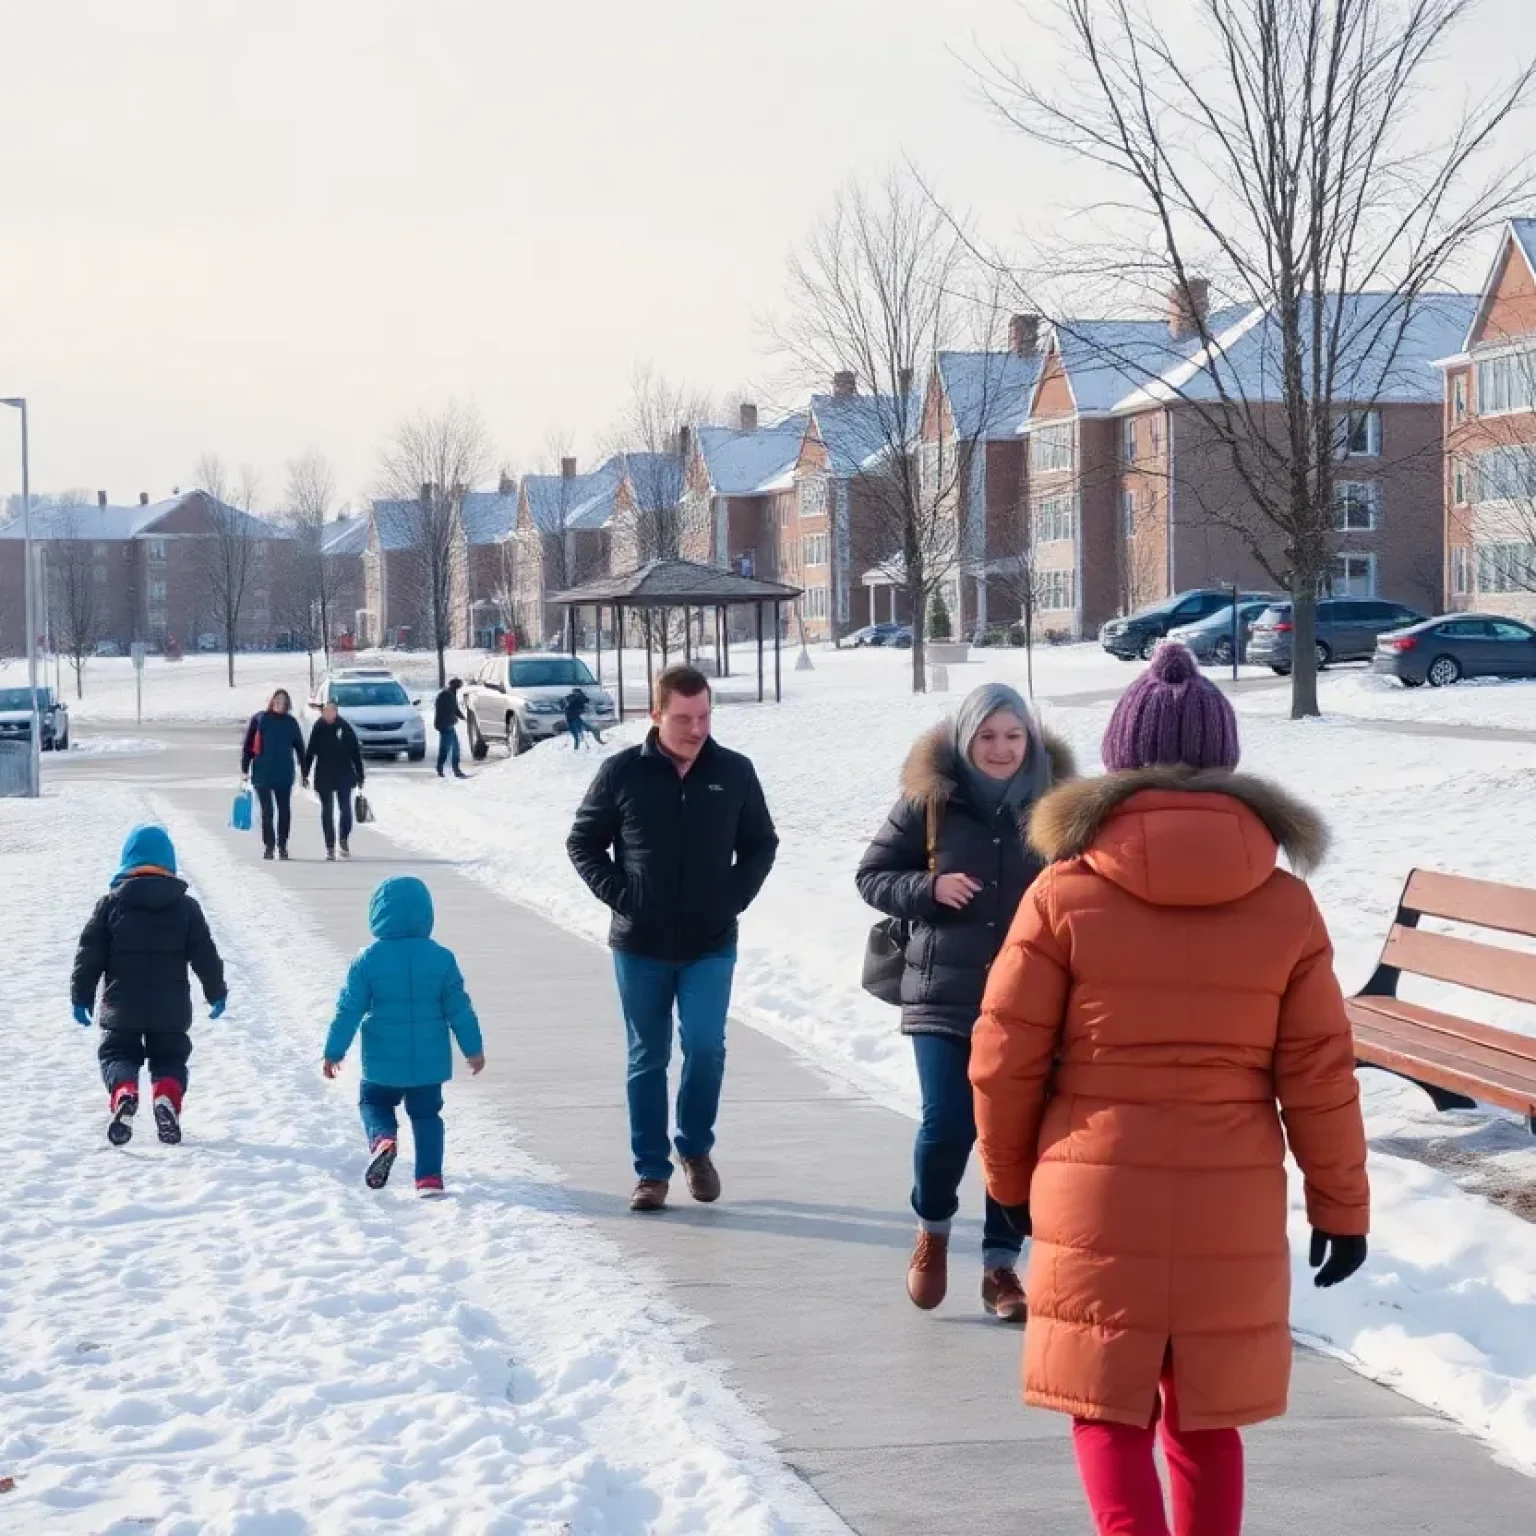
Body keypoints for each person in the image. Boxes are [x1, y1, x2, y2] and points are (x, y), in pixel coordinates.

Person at [970, 644, 1369, 1536]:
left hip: (1095, 1182)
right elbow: (1320, 1074)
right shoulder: (1284, 903)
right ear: (1227, 766)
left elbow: (1003, 1056)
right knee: (1206, 1417)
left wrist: (1007, 1181)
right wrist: (1343, 1205)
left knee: (1107, 1411)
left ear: (1117, 765)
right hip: (1231, 1190)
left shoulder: (1062, 892)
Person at [857, 683, 1075, 1324]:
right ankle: (933, 1228)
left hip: (1028, 999)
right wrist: (929, 887)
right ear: (965, 739)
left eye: (1013, 736)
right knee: (947, 1123)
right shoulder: (930, 801)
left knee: (1012, 1135)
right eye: (987, 737)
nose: (1002, 749)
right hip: (942, 992)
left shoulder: (1059, 805)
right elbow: (871, 875)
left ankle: (1001, 1265)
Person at [566, 664, 778, 1213]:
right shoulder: (622, 773)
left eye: (705, 716)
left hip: (711, 941)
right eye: (683, 718)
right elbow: (583, 843)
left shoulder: (733, 772)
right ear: (655, 715)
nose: (696, 729)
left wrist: (732, 898)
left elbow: (761, 844)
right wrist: (623, 895)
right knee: (648, 1057)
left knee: (706, 1046)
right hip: (640, 944)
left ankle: (696, 1148)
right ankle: (651, 1171)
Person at [322, 875, 485, 1197]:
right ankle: (429, 1179)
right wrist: (473, 1049)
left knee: (373, 1101)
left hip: (382, 1059)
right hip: (429, 1060)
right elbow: (460, 1009)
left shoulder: (367, 959)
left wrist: (333, 1051)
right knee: (426, 1115)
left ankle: (383, 1138)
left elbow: (349, 1010)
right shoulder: (442, 958)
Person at [70, 824, 228, 1147]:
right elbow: (205, 954)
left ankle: (125, 1092)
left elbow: (89, 955)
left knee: (117, 1053)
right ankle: (165, 1098)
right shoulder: (187, 908)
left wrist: (81, 996)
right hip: (170, 1011)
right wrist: (216, 992)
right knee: (169, 1058)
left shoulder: (111, 905)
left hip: (122, 1006)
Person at [241, 688, 306, 860]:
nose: (279, 704)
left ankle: (282, 845)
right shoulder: (260, 719)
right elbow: (248, 745)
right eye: (277, 700)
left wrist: (304, 770)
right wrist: (244, 768)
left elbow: (300, 747)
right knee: (267, 811)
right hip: (262, 772)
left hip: (284, 772)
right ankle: (269, 846)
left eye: (283, 701)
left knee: (284, 810)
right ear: (271, 701)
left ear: (287, 704)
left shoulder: (291, 723)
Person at [304, 700, 365, 860]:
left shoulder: (344, 727)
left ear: (336, 712)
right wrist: (305, 773)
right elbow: (310, 752)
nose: (329, 715)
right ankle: (330, 845)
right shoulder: (318, 728)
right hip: (324, 774)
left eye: (332, 711)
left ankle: (343, 838)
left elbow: (355, 752)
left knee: (345, 808)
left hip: (344, 773)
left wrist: (360, 773)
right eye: (326, 712)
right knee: (327, 810)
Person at [434, 678, 469, 779]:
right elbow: (446, 710)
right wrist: (453, 718)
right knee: (447, 748)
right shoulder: (446, 695)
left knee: (454, 748)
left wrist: (463, 717)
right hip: (445, 725)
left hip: (447, 725)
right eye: (459, 685)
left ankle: (453, 769)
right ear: (455, 685)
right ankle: (443, 768)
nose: (460, 687)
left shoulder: (451, 694)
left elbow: (455, 709)